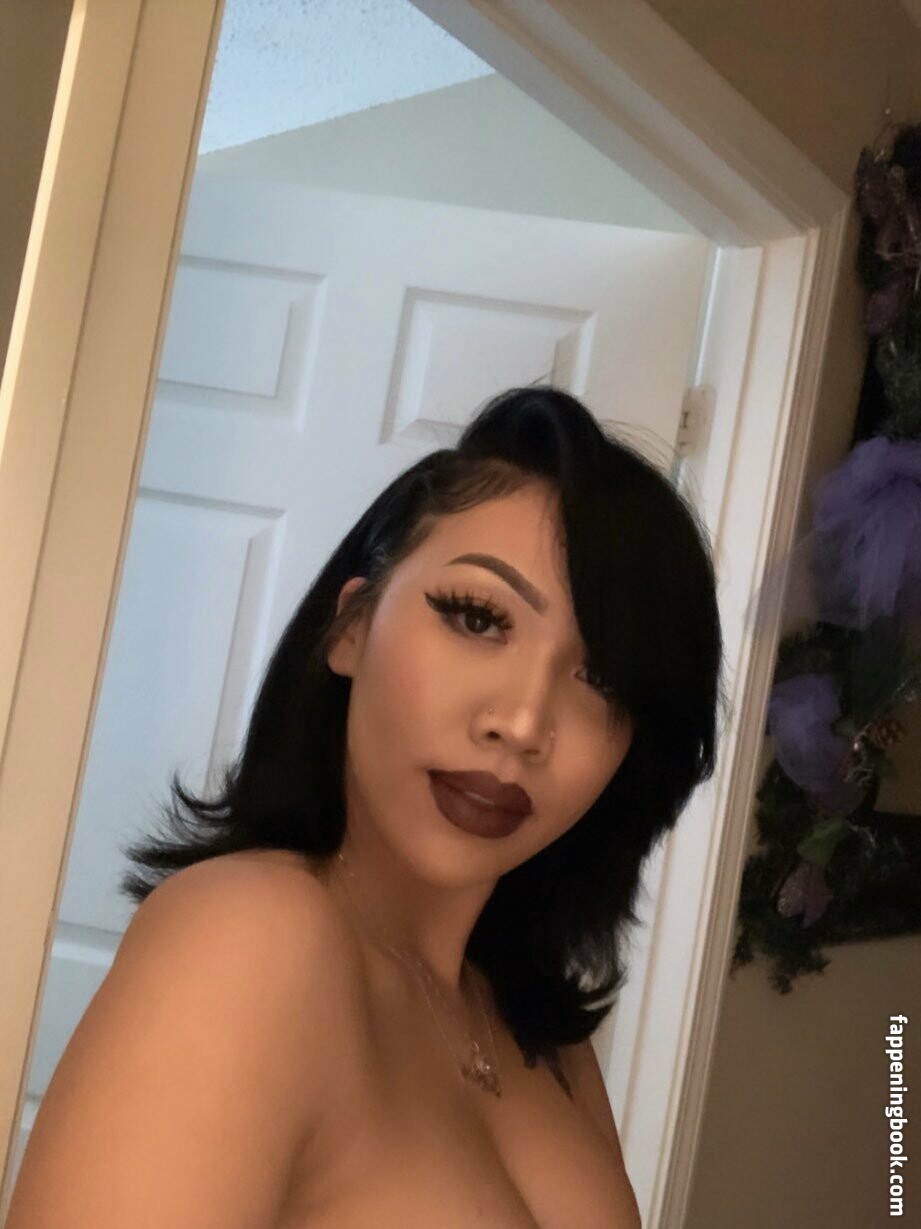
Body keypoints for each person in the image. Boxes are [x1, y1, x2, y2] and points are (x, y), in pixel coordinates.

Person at [7, 386, 725, 1228]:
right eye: (477, 617)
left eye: (599, 677)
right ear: (351, 627)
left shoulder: (542, 1036)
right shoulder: (250, 936)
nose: (524, 722)